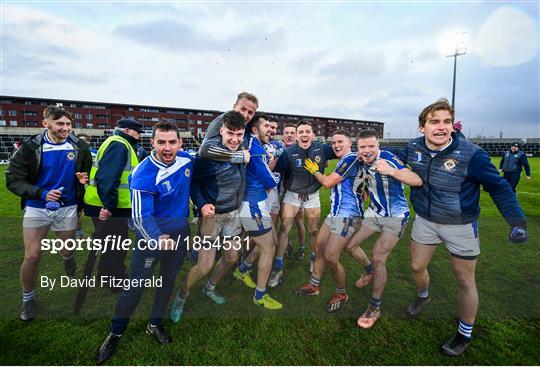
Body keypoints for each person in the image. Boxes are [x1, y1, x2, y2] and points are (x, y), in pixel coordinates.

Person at [395, 98, 528, 356]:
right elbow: (387, 157)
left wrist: (517, 222)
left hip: (461, 225)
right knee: (416, 266)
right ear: (422, 127)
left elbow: (499, 188)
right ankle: (423, 296)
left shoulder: (472, 154)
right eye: (434, 121)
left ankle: (464, 334)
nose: (442, 127)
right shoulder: (413, 147)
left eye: (446, 121)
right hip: (425, 220)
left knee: (465, 280)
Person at [96, 121, 193, 364]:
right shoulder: (143, 172)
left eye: (172, 142)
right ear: (153, 143)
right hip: (153, 238)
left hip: (180, 235)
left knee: (168, 281)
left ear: (181, 143)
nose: (167, 147)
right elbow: (140, 216)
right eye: (161, 142)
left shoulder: (188, 160)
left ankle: (154, 323)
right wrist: (158, 238)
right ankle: (115, 333)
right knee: (135, 286)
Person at [6, 105, 92, 321]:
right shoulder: (29, 146)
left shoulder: (79, 146)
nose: (65, 128)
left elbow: (85, 171)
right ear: (46, 124)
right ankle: (28, 300)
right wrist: (41, 193)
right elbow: (13, 180)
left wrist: (82, 180)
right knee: (33, 255)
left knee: (65, 250)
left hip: (68, 207)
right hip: (37, 206)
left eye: (69, 124)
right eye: (60, 123)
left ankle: (68, 257)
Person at [169, 111, 247, 323]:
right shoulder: (209, 156)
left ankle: (209, 288)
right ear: (221, 130)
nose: (234, 139)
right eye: (230, 133)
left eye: (239, 134)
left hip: (233, 215)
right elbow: (194, 183)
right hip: (212, 218)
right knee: (204, 266)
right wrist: (202, 204)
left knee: (231, 257)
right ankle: (181, 297)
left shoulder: (242, 150)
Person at [344, 130, 422, 327]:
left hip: (395, 216)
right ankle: (369, 271)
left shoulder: (388, 159)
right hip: (374, 213)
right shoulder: (362, 161)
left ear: (378, 146)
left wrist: (392, 171)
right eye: (363, 147)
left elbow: (416, 180)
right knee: (350, 245)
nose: (367, 150)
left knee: (379, 256)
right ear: (358, 149)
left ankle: (374, 307)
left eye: (371, 146)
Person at [294, 131, 371, 313]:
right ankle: (314, 285)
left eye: (340, 142)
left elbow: (328, 182)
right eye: (333, 142)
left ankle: (341, 292)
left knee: (330, 256)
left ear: (349, 143)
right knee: (319, 247)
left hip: (348, 215)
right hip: (336, 213)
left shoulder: (350, 157)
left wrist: (315, 171)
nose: (336, 145)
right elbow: (364, 191)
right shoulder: (352, 159)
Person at [269, 120, 336, 287]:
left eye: (307, 131)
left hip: (313, 196)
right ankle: (277, 267)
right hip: (292, 195)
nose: (304, 134)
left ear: (312, 134)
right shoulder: (289, 152)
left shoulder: (322, 148)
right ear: (297, 135)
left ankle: (314, 258)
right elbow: (276, 171)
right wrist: (272, 164)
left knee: (314, 230)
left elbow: (343, 153)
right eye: (301, 132)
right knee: (284, 228)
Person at [84, 118, 144, 288]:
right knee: (116, 245)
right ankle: (114, 279)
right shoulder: (119, 144)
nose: (139, 136)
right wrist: (109, 206)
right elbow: (108, 178)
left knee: (112, 244)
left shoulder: (118, 142)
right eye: (137, 132)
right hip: (109, 207)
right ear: (126, 130)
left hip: (107, 204)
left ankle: (106, 275)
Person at [233, 113, 282, 309]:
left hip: (257, 203)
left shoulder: (255, 146)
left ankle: (243, 269)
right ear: (255, 129)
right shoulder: (254, 149)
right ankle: (260, 296)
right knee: (268, 249)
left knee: (273, 242)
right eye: (266, 126)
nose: (270, 129)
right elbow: (270, 180)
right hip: (252, 206)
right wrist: (271, 178)